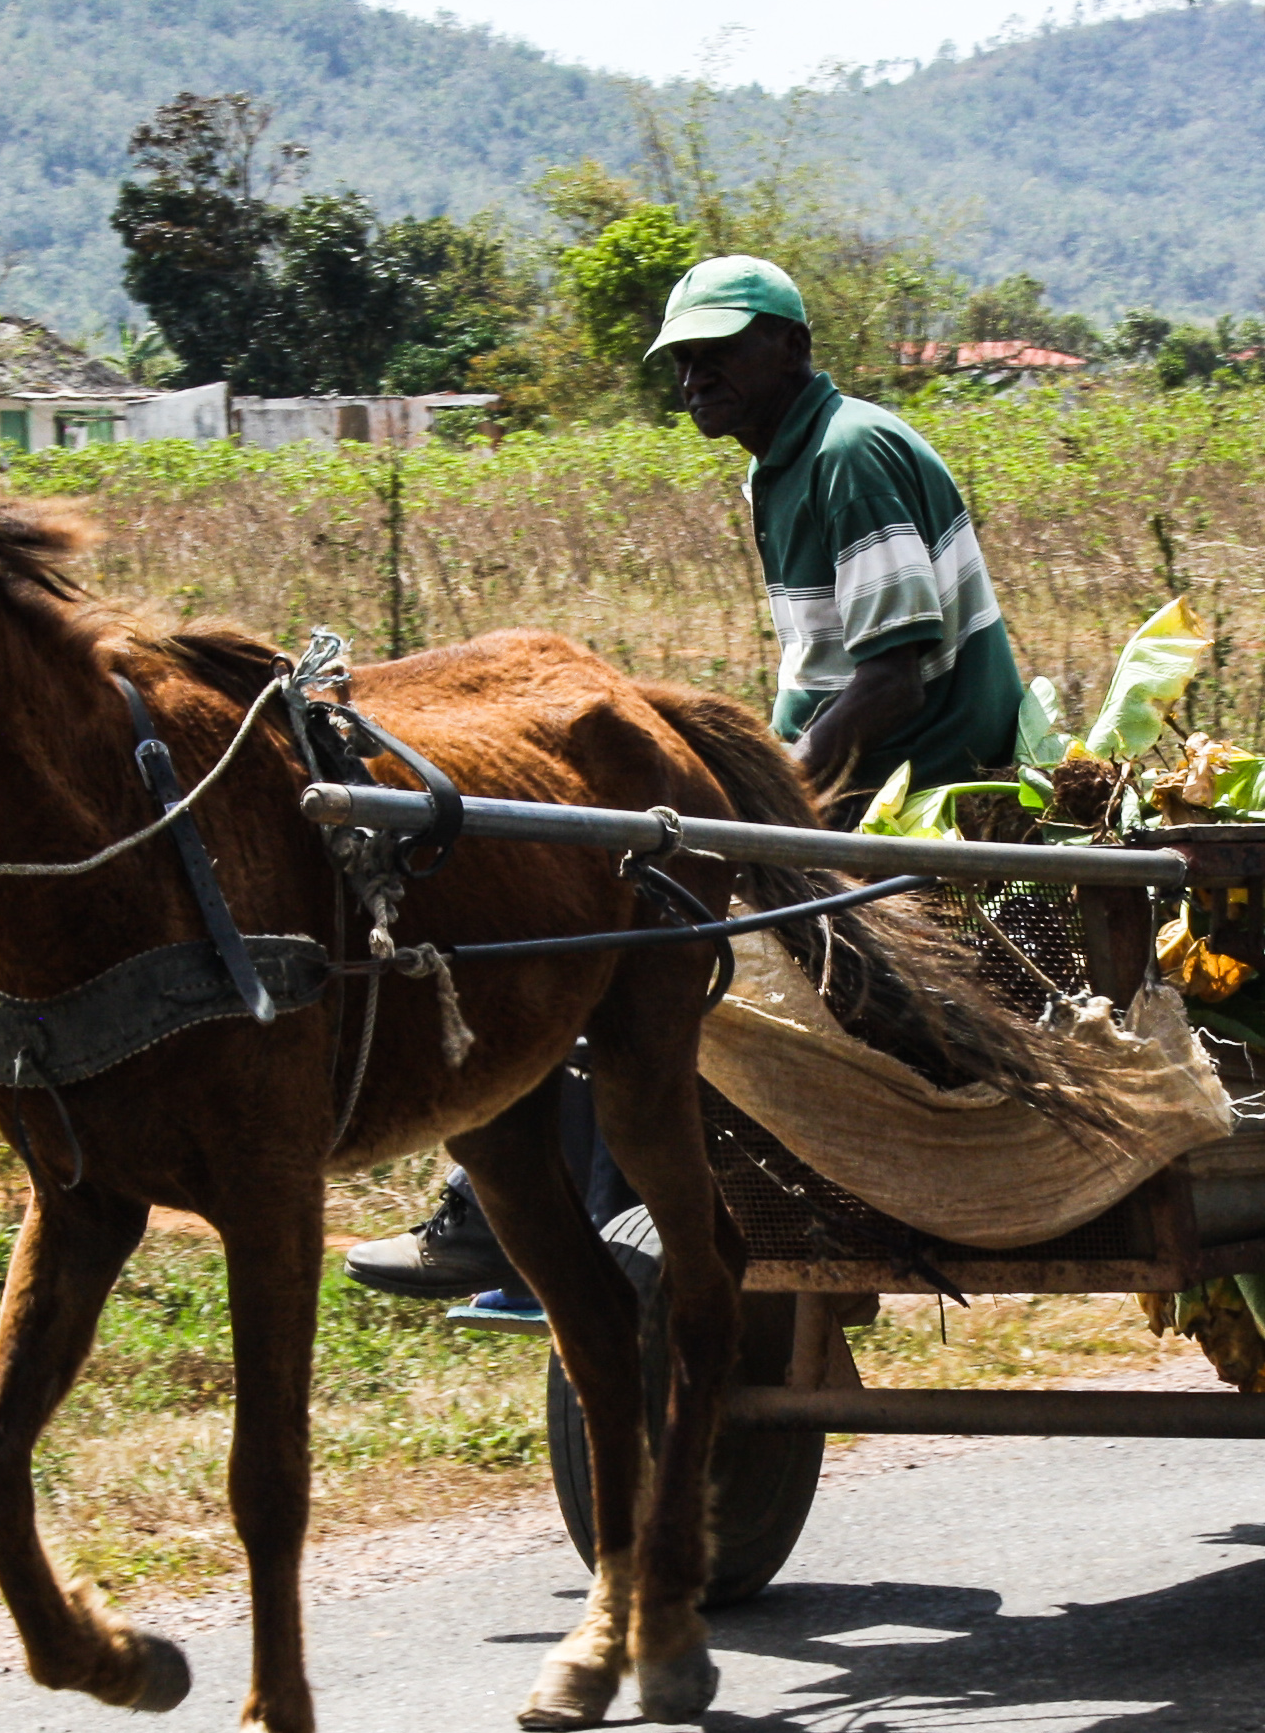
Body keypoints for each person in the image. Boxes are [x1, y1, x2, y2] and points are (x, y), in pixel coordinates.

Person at [346, 253, 1025, 1306]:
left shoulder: (849, 453)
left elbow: (894, 674)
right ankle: (533, 1213)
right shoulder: (782, 466)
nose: (695, 376)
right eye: (682, 359)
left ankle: (559, 1225)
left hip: (919, 784)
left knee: (630, 945)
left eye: (719, 352)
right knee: (607, 920)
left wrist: (772, 815)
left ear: (792, 347)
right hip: (863, 777)